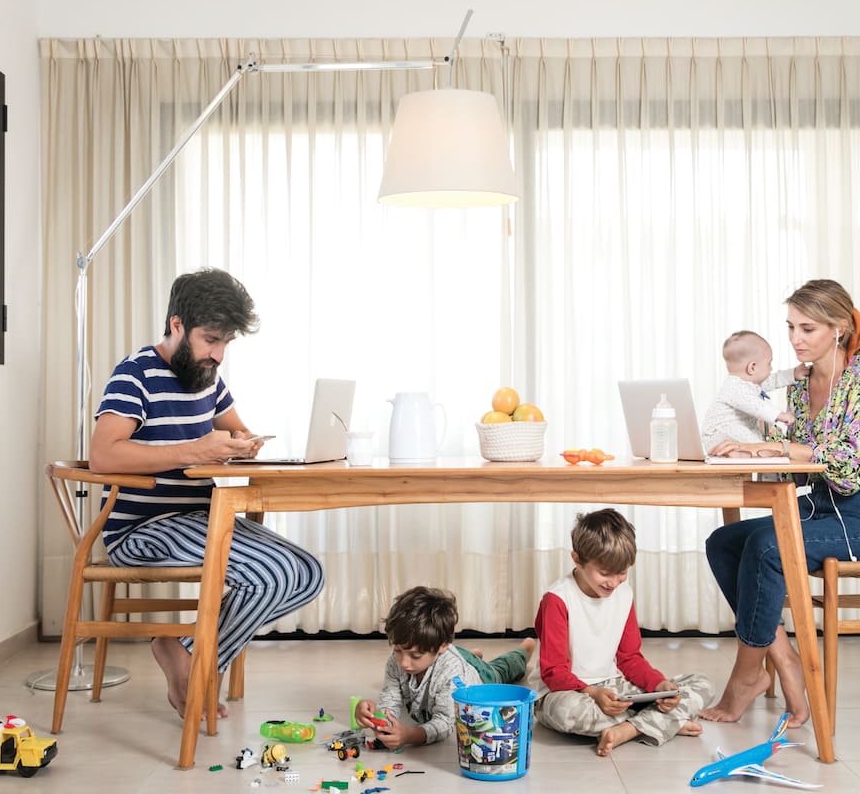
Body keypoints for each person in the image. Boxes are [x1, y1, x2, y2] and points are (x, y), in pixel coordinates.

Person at [89, 267, 324, 719]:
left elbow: (237, 430)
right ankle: (192, 669)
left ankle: (182, 650)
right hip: (140, 529)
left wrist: (245, 445)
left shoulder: (207, 378)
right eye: (210, 339)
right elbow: (102, 455)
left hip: (200, 520)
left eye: (225, 343)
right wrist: (196, 448)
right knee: (268, 576)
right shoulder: (135, 374)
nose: (218, 354)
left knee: (308, 573)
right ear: (177, 325)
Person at [701, 278, 860, 728]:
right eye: (791, 327)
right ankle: (782, 660)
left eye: (808, 329)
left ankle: (745, 675)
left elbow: (852, 464)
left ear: (839, 327)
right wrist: (745, 446)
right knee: (724, 542)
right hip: (823, 507)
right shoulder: (800, 385)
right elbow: (802, 469)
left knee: (767, 545)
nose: (795, 339)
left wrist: (777, 450)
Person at [529, 509, 714, 756]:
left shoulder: (624, 594)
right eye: (605, 573)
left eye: (622, 572)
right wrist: (593, 693)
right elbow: (553, 671)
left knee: (703, 684)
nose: (614, 582)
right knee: (567, 712)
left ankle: (629, 729)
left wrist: (659, 685)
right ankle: (662, 723)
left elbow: (629, 658)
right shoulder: (557, 599)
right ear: (577, 559)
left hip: (614, 687)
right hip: (566, 692)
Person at [352, 586, 536, 748]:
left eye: (415, 655)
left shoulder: (452, 671)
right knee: (457, 661)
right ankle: (471, 656)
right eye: (398, 650)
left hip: (481, 676)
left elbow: (446, 722)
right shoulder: (399, 660)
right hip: (450, 660)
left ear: (442, 646)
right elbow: (390, 699)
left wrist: (410, 736)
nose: (404, 662)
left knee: (502, 669)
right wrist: (378, 718)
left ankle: (525, 648)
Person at [700, 330, 808, 450]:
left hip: (731, 432)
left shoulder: (749, 384)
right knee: (758, 445)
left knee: (754, 440)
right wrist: (780, 415)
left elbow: (773, 380)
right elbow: (756, 406)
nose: (771, 368)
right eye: (769, 363)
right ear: (752, 367)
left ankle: (741, 455)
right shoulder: (734, 387)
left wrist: (793, 374)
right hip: (719, 432)